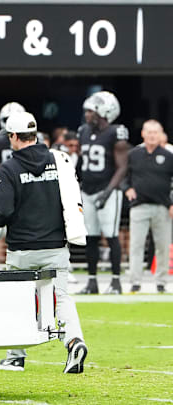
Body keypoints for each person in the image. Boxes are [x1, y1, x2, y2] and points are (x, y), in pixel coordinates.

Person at [0, 111, 87, 374]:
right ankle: (74, 341)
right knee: (62, 298)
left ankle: (15, 356)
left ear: (13, 136)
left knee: (19, 301)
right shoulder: (59, 160)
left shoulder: (9, 167)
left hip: (22, 249)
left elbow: (3, 215)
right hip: (56, 244)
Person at [76, 91, 129, 295]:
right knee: (91, 237)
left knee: (112, 235)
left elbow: (122, 167)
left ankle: (116, 281)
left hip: (108, 191)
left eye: (91, 111)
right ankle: (92, 281)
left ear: (104, 111)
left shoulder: (116, 132)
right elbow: (82, 163)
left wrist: (107, 192)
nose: (87, 115)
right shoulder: (83, 131)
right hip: (88, 191)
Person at [123, 120, 173, 293]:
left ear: (160, 135)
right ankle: (135, 281)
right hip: (139, 206)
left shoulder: (168, 156)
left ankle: (161, 281)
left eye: (155, 132)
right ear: (143, 134)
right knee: (136, 245)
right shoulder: (134, 154)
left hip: (162, 207)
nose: (152, 135)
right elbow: (124, 176)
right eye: (149, 132)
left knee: (163, 245)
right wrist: (127, 188)